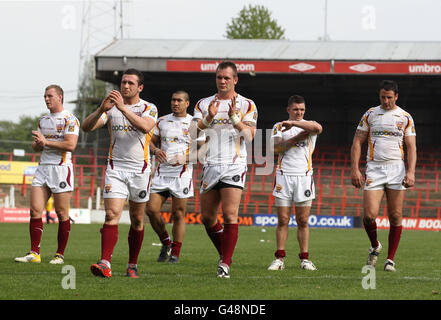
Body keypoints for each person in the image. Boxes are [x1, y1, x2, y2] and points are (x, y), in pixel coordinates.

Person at [82, 68, 158, 278]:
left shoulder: (149, 108)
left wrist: (123, 108)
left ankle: (132, 264)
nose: (125, 86)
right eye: (123, 82)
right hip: (115, 169)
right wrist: (100, 109)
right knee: (112, 214)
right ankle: (105, 262)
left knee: (136, 219)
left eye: (130, 83)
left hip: (140, 171)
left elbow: (145, 127)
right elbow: (86, 128)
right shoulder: (111, 108)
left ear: (139, 87)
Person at [192, 61, 258, 278]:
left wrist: (235, 119)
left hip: (234, 163)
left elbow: (249, 137)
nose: (222, 81)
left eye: (227, 78)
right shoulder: (203, 103)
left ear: (235, 80)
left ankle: (225, 265)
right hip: (210, 164)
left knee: (230, 215)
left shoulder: (247, 104)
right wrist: (209, 118)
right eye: (219, 77)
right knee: (208, 218)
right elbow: (193, 133)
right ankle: (226, 254)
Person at [350, 80, 417, 272]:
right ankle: (375, 245)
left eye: (389, 97)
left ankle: (390, 260)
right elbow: (357, 142)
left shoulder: (405, 117)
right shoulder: (370, 114)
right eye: (382, 97)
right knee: (369, 216)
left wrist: (411, 171)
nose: (386, 101)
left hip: (396, 169)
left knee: (395, 215)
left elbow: (411, 147)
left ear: (396, 96)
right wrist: (355, 169)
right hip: (375, 168)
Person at [15, 85, 80, 265]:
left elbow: (70, 145)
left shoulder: (70, 119)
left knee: (61, 212)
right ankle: (34, 253)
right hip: (43, 167)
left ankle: (59, 255)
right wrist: (38, 143)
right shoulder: (43, 120)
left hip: (61, 169)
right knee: (35, 210)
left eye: (50, 96)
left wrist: (46, 142)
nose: (46, 99)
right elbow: (38, 146)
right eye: (45, 96)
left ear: (60, 97)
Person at [267, 95, 322, 271]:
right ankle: (280, 259)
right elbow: (275, 149)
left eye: (302, 110)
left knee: (303, 220)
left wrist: (296, 125)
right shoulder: (279, 126)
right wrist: (297, 138)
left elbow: (318, 128)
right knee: (283, 219)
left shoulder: (308, 125)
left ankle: (304, 259)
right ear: (288, 109)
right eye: (296, 109)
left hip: (304, 177)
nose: (299, 112)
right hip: (284, 176)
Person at [146, 90, 193, 264]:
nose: (175, 103)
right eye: (173, 100)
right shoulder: (162, 121)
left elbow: (202, 150)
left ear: (187, 103)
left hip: (182, 173)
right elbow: (150, 141)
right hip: (162, 172)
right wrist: (156, 150)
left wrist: (185, 158)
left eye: (179, 100)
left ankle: (175, 253)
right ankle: (166, 242)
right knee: (151, 210)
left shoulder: (194, 122)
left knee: (178, 213)